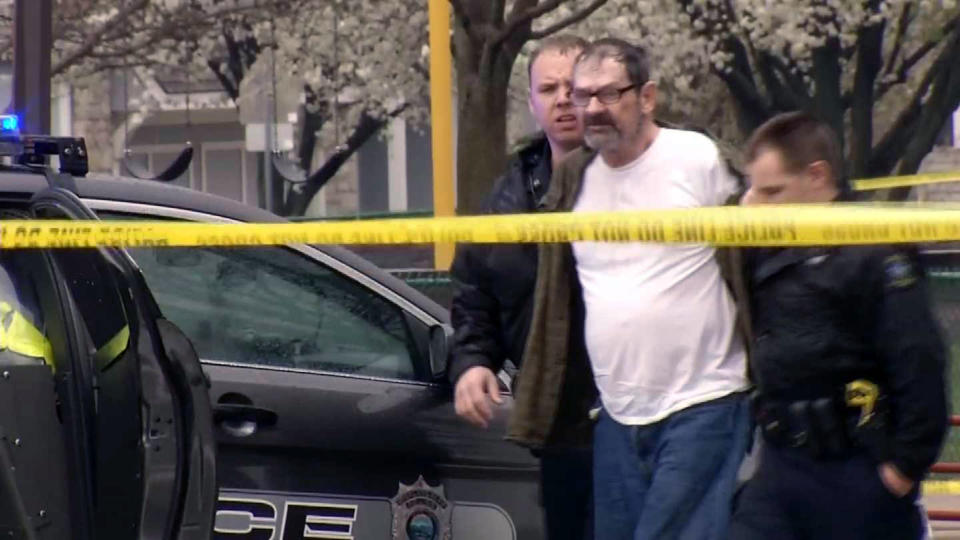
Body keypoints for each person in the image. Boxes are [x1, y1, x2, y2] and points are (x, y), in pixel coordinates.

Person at [507, 37, 753, 540]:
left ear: (647, 97)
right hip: (616, 414)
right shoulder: (574, 178)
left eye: (609, 94)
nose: (592, 108)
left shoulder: (696, 157)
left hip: (704, 401)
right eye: (583, 95)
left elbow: (751, 263)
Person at [728, 111, 948, 540]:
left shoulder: (876, 253)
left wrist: (901, 470)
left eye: (771, 191)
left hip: (857, 469)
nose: (754, 203)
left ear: (817, 176)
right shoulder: (766, 243)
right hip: (780, 466)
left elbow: (919, 365)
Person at [447, 34, 593, 540]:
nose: (562, 99)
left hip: (631, 413)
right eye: (548, 88)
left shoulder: (634, 181)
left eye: (573, 87)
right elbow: (473, 293)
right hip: (557, 420)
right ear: (531, 102)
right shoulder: (506, 196)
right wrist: (473, 363)